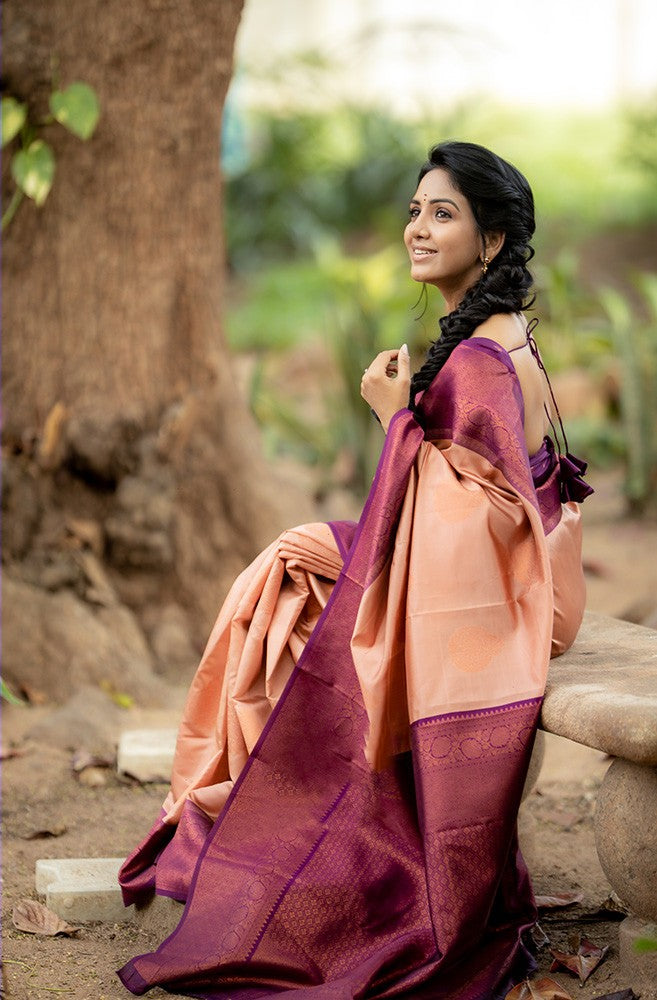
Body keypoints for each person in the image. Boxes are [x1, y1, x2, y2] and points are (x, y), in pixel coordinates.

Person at [117, 141, 593, 999]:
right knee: (293, 561)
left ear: (490, 242)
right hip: (486, 578)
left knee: (289, 581)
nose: (417, 227)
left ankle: (293, 834)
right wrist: (410, 425)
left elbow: (487, 517)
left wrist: (391, 421)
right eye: (414, 210)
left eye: (441, 213)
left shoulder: (484, 357)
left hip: (498, 599)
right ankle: (254, 809)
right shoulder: (492, 331)